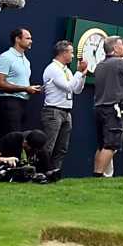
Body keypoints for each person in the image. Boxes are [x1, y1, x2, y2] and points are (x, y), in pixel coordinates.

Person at [89, 36, 123, 178]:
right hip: (115, 109)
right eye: (121, 46)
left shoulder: (100, 65)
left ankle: (98, 174)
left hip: (100, 107)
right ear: (114, 48)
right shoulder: (121, 63)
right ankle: (99, 175)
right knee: (111, 144)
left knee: (103, 144)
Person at [36, 37, 86, 175]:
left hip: (66, 112)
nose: (73, 55)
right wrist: (79, 73)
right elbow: (68, 87)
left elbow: (77, 90)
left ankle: (54, 173)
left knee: (62, 147)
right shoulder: (53, 69)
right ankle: (41, 172)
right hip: (53, 111)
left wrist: (82, 75)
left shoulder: (67, 71)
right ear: (63, 53)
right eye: (71, 52)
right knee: (48, 146)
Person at [0, 27, 35, 148]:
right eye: (28, 38)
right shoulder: (5, 57)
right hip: (9, 102)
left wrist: (29, 89)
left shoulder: (26, 60)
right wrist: (25, 88)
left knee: (20, 138)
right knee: (12, 138)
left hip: (23, 103)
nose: (31, 41)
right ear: (17, 39)